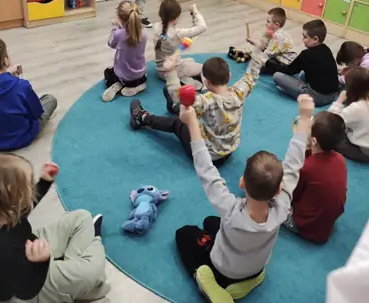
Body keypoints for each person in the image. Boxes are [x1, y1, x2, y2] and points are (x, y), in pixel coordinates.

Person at [174, 94, 314, 302]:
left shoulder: (230, 210)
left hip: (223, 269)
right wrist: (305, 118)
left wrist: (192, 122)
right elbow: (294, 164)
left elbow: (205, 168)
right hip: (256, 268)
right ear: (279, 189)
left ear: (242, 183)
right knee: (210, 222)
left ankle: (212, 286)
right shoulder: (283, 205)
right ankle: (251, 279)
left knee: (185, 234)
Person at [0, 153, 109, 302]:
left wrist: (44, 182)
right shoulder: (0, 249)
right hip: (30, 287)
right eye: (28, 184)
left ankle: (71, 283)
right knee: (93, 269)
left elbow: (24, 207)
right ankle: (94, 241)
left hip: (28, 251)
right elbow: (25, 291)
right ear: (11, 192)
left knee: (82, 217)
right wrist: (41, 262)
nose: (31, 187)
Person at [129, 45, 264, 167]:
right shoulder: (239, 92)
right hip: (228, 151)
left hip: (206, 157)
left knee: (178, 123)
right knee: (186, 107)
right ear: (229, 76)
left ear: (206, 82)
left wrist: (170, 71)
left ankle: (141, 118)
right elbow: (251, 75)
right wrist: (259, 49)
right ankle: (172, 108)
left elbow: (178, 96)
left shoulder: (204, 101)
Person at [0, 38, 57, 151]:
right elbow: (36, 112)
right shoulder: (21, 85)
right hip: (21, 137)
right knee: (50, 99)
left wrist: (8, 73)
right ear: (5, 60)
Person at [283, 111, 347, 244]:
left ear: (314, 141)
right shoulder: (340, 159)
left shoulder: (307, 168)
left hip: (303, 225)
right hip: (325, 227)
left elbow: (290, 193)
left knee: (269, 183)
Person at [329, 67, 369, 163]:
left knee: (327, 133)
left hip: (363, 152)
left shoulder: (356, 107)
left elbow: (330, 120)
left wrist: (339, 100)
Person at [272, 20, 339, 106]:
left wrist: (271, 64)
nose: (302, 39)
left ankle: (296, 91)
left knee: (277, 76)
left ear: (315, 39)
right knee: (303, 74)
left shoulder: (306, 55)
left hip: (316, 98)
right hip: (332, 96)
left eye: (305, 37)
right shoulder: (326, 49)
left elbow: (289, 70)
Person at [154, 0, 207, 90]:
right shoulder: (178, 33)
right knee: (204, 68)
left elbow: (170, 42)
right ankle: (205, 87)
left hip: (160, 70)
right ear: (177, 17)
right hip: (172, 71)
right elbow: (202, 27)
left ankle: (184, 78)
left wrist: (184, 42)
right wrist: (195, 11)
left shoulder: (156, 26)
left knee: (190, 60)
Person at [102, 1, 148, 102]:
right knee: (139, 75)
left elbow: (111, 43)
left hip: (124, 74)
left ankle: (119, 84)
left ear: (120, 18)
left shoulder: (119, 34)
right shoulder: (144, 32)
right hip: (140, 72)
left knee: (108, 72)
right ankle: (138, 85)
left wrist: (115, 27)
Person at [246, 7, 296, 75]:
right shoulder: (277, 32)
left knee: (257, 57)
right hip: (280, 59)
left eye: (268, 21)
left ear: (276, 25)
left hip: (286, 66)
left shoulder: (278, 36)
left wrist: (253, 54)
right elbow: (264, 46)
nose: (266, 23)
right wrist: (252, 42)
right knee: (256, 52)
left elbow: (266, 54)